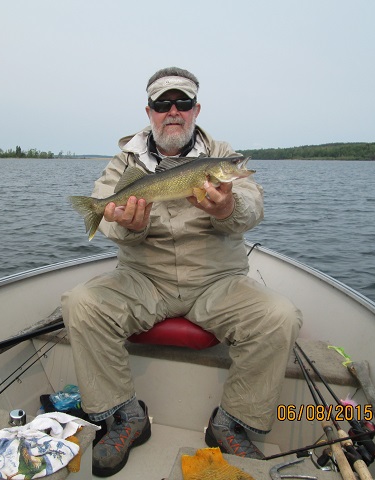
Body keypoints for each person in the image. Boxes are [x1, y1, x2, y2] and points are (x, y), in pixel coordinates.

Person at [62, 66, 302, 477]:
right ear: (149, 111)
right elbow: (106, 211)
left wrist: (229, 208)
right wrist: (126, 225)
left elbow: (253, 206)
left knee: (279, 316)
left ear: (196, 109)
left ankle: (231, 422)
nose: (173, 111)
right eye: (162, 104)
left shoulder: (221, 155)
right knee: (80, 304)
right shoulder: (125, 162)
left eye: (183, 102)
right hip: (144, 280)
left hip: (216, 281)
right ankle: (125, 415)